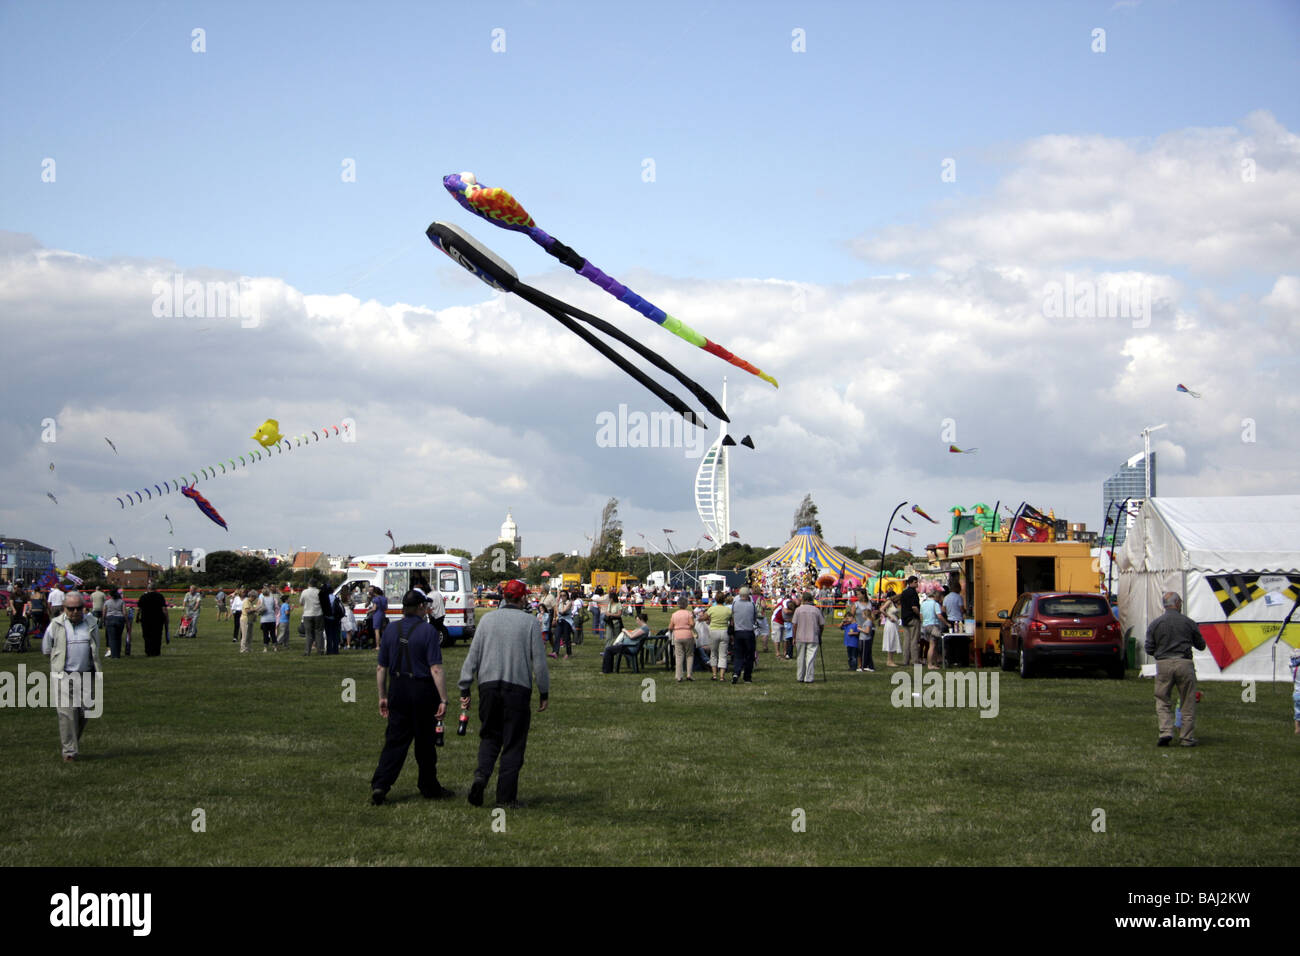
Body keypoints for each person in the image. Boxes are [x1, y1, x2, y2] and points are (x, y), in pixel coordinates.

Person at [458, 579, 549, 808]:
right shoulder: (530, 622)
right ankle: (506, 798)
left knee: (489, 737)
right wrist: (544, 692)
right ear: (521, 598)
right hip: (517, 689)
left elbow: (473, 655)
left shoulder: (487, 620)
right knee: (513, 742)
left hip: (488, 686)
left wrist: (465, 685)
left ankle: (481, 777)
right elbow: (539, 662)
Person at [370, 590, 455, 805]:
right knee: (425, 742)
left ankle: (381, 784)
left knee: (395, 740)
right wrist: (443, 698)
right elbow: (435, 668)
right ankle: (428, 786)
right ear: (419, 608)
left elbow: (381, 667)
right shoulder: (428, 631)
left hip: (397, 687)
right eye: (425, 606)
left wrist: (382, 696)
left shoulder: (390, 629)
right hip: (422, 689)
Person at [42, 591, 100, 762]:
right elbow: (46, 649)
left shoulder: (91, 623)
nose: (75, 612)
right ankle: (69, 751)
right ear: (64, 608)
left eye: (79, 608)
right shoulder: (55, 625)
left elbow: (95, 648)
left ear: (84, 608)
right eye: (71, 608)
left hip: (85, 675)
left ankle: (72, 741)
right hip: (64, 675)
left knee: (84, 713)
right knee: (67, 714)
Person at [1145, 591, 1206, 747]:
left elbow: (1149, 648)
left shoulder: (1155, 624)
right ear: (1178, 603)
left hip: (1163, 663)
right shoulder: (1189, 622)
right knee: (1187, 700)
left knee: (1162, 699)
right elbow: (1201, 645)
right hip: (1184, 663)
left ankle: (1165, 731)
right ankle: (1186, 737)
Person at [792, 590, 825, 683]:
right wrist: (820, 635)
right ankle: (809, 678)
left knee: (800, 657)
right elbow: (821, 624)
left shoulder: (798, 610)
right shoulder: (816, 610)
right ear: (811, 599)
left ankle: (800, 676)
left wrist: (794, 637)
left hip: (800, 636)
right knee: (810, 658)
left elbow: (794, 624)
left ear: (803, 599)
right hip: (813, 636)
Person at [730, 587, 758, 684]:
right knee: (749, 656)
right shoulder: (752, 605)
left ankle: (736, 672)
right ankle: (747, 677)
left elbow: (732, 616)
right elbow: (755, 618)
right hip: (748, 631)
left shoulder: (735, 604)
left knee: (738, 654)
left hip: (738, 632)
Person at [136, 580, 168, 657]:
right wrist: (166, 618)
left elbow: (139, 609)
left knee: (147, 635)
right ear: (155, 589)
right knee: (157, 635)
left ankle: (148, 651)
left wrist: (137, 617)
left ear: (148, 588)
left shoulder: (143, 597)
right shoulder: (160, 596)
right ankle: (157, 651)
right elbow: (164, 609)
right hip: (158, 619)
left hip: (146, 619)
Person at [669, 595, 696, 682]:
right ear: (686, 604)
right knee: (689, 655)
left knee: (679, 656)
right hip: (688, 635)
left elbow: (670, 627)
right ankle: (689, 674)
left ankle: (679, 676)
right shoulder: (689, 613)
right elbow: (692, 624)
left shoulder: (674, 614)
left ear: (678, 604)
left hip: (677, 636)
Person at [705, 592, 732, 681]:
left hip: (714, 631)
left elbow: (705, 617)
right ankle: (722, 676)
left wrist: (709, 619)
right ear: (724, 599)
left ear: (715, 599)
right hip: (724, 631)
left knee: (713, 653)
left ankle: (714, 674)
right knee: (723, 655)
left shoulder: (712, 609)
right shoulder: (728, 610)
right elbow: (732, 622)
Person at [899, 576, 921, 666]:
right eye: (916, 582)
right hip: (913, 618)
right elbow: (914, 607)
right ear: (911, 583)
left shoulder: (904, 593)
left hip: (905, 618)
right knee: (914, 640)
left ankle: (905, 660)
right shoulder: (913, 593)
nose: (917, 584)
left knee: (906, 640)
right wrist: (919, 615)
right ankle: (915, 660)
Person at [920, 589, 944, 670]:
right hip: (933, 625)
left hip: (925, 625)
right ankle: (930, 664)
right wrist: (947, 623)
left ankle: (935, 663)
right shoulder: (935, 604)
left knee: (933, 645)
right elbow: (939, 616)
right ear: (936, 597)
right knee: (932, 646)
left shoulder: (923, 604)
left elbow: (921, 616)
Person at [299, 581, 324, 655]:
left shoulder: (304, 592)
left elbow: (301, 602)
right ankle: (320, 651)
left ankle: (307, 651)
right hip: (318, 613)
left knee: (308, 633)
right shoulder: (319, 592)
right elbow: (323, 603)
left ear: (308, 584)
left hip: (307, 614)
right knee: (319, 632)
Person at [854, 590, 876, 672]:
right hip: (860, 627)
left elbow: (872, 614)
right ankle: (861, 665)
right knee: (860, 649)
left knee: (867, 648)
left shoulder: (869, 603)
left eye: (858, 594)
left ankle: (868, 665)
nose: (857, 596)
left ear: (863, 595)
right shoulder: (856, 604)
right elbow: (852, 615)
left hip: (869, 628)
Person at [103, 587, 127, 659]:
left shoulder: (107, 602)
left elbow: (104, 612)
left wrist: (104, 620)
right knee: (118, 637)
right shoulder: (121, 602)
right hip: (120, 619)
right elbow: (124, 612)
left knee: (112, 638)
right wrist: (126, 621)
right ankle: (118, 653)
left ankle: (113, 654)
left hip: (110, 619)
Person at [239, 587, 261, 653]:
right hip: (245, 620)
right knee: (245, 635)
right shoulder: (246, 601)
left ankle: (248, 648)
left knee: (250, 636)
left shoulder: (250, 602)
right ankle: (243, 649)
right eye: (254, 597)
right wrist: (255, 609)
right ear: (251, 596)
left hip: (250, 620)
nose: (255, 599)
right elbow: (247, 611)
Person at [259, 585, 279, 652]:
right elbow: (274, 607)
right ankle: (275, 647)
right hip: (272, 618)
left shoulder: (262, 598)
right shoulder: (272, 598)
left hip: (265, 619)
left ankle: (265, 648)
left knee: (265, 634)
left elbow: (260, 607)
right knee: (273, 633)